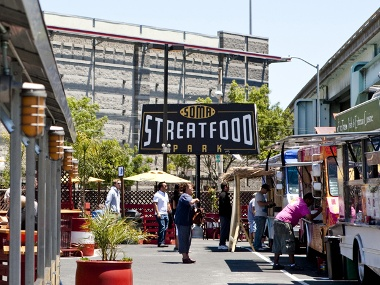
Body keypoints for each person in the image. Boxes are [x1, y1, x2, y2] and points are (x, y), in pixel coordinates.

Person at [272, 192, 322, 270]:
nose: (311, 205)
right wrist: (319, 211)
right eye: (311, 202)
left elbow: (296, 211)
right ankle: (292, 264)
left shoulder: (297, 199)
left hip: (278, 220)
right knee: (289, 242)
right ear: (307, 200)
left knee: (278, 242)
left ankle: (276, 263)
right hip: (285, 222)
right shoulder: (303, 205)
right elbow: (309, 217)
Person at [174, 182, 199, 263]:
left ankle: (186, 256)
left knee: (187, 239)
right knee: (184, 238)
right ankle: (185, 257)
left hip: (187, 221)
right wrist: (196, 200)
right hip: (182, 221)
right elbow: (191, 202)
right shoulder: (185, 196)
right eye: (191, 188)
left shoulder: (188, 196)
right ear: (187, 189)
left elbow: (193, 208)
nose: (192, 189)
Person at [254, 183, 275, 251]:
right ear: (263, 189)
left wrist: (268, 204)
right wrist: (268, 203)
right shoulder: (259, 195)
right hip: (259, 215)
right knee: (259, 231)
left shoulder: (262, 195)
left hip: (262, 215)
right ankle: (257, 246)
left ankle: (258, 245)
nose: (266, 192)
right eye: (266, 190)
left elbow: (263, 204)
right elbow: (260, 204)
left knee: (260, 231)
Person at [153, 182, 172, 247]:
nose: (166, 187)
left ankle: (163, 241)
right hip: (160, 213)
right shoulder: (157, 194)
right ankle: (160, 242)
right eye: (165, 186)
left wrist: (169, 208)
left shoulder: (166, 194)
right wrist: (158, 213)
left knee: (165, 227)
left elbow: (167, 202)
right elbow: (155, 204)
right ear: (161, 187)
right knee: (162, 227)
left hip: (165, 213)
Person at [218, 182, 232, 250]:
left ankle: (223, 243)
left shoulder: (224, 194)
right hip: (224, 215)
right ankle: (221, 243)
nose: (228, 188)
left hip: (224, 214)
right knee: (224, 229)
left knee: (225, 229)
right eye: (228, 186)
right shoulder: (223, 195)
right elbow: (224, 206)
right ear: (225, 187)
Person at [171, 184, 181, 251]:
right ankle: (180, 246)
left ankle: (176, 245)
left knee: (177, 231)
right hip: (180, 213)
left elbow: (174, 207)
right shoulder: (181, 196)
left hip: (175, 214)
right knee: (181, 231)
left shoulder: (174, 196)